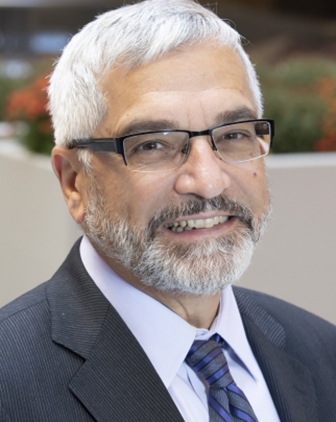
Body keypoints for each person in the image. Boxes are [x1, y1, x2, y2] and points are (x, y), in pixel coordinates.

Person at [1, 1, 336, 421]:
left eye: (233, 134)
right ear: (74, 181)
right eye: (152, 144)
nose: (208, 181)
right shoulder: (9, 384)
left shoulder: (323, 351)